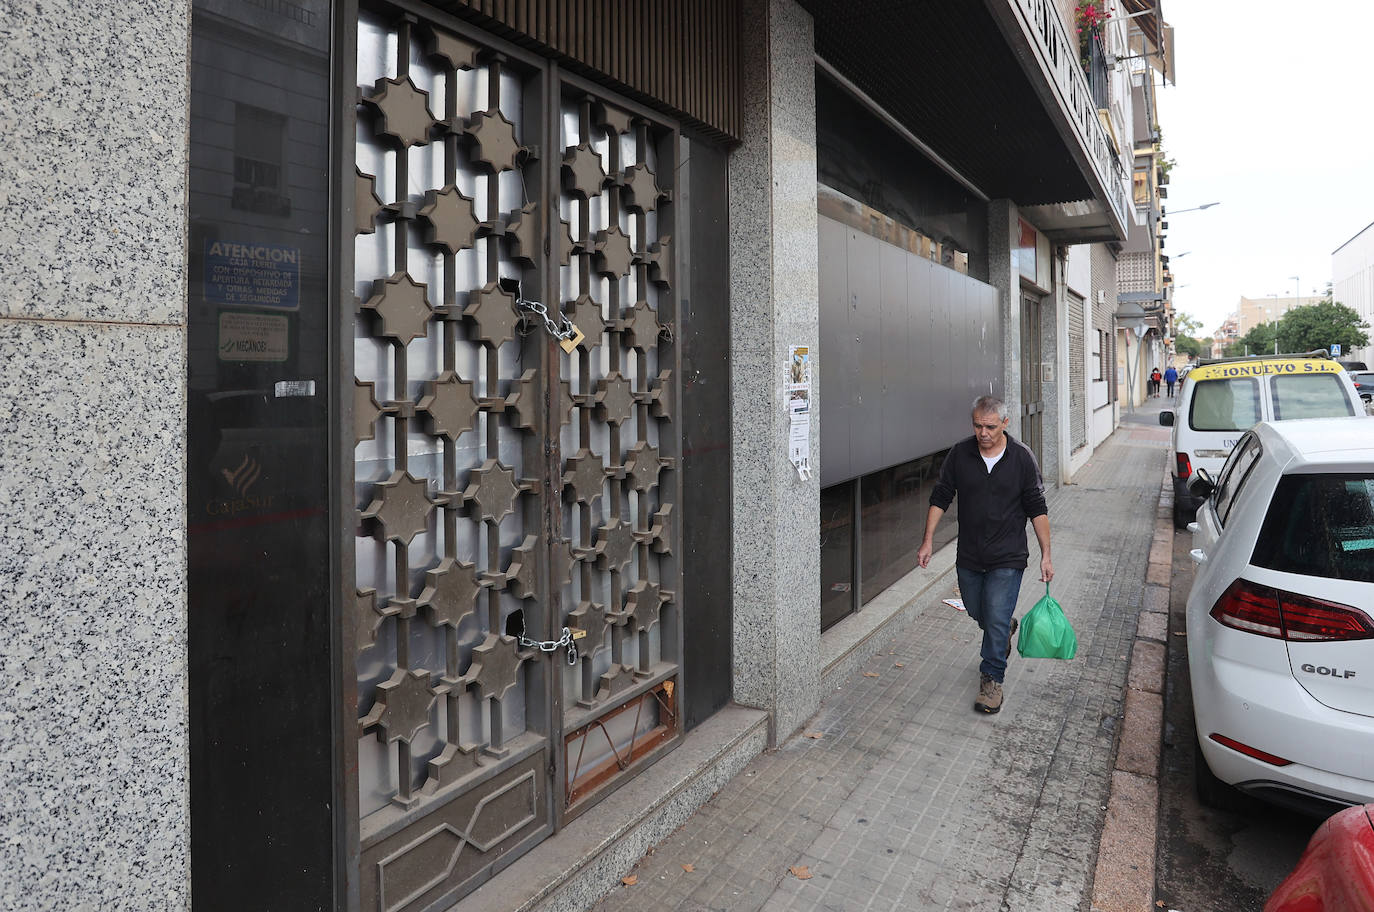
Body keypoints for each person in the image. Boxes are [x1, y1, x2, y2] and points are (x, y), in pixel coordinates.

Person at [917, 396, 1053, 714]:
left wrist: (1046, 554)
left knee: (993, 616)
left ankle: (991, 679)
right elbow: (941, 496)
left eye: (990, 426)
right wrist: (927, 541)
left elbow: (1038, 509)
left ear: (1005, 424)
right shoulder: (960, 454)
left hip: (1008, 555)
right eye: (978, 425)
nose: (983, 433)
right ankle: (1002, 628)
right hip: (970, 555)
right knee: (981, 612)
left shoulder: (1021, 459)